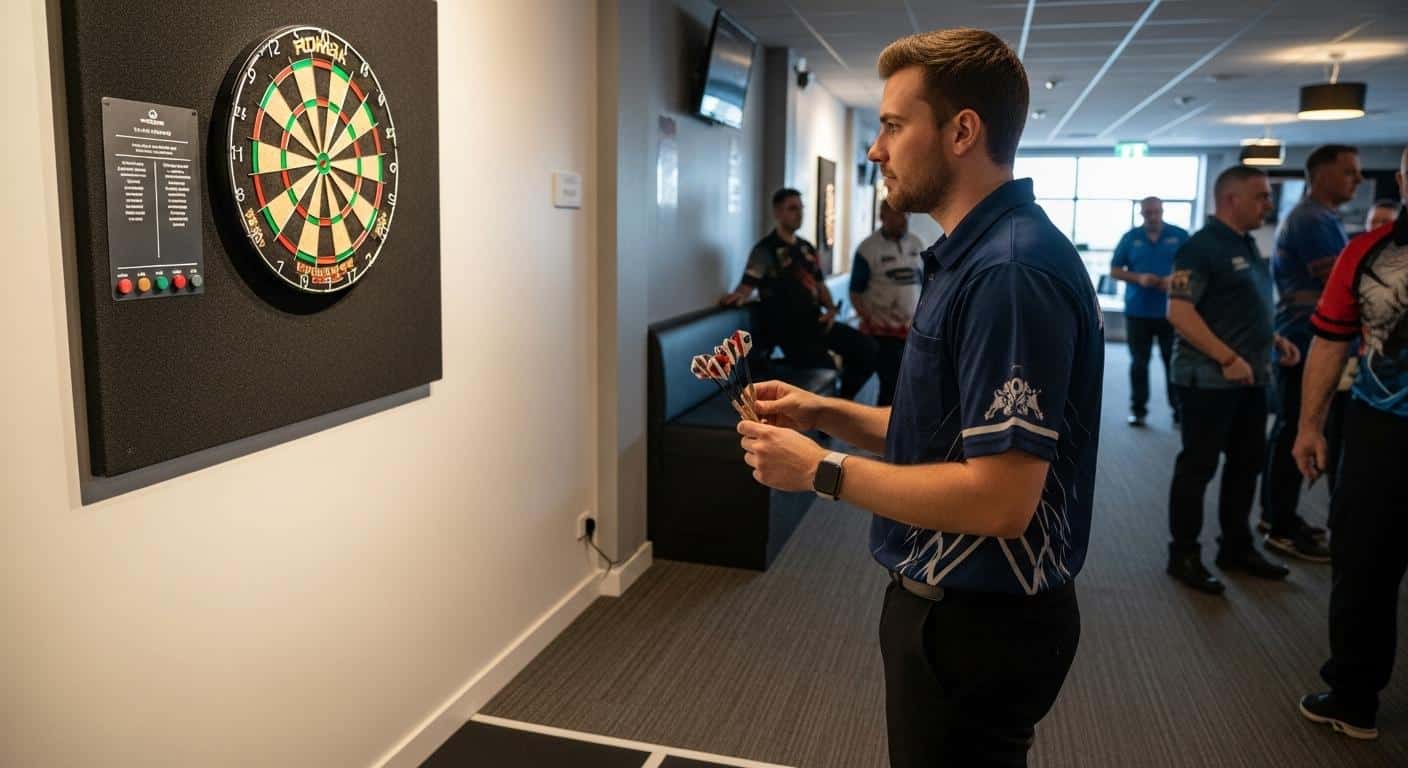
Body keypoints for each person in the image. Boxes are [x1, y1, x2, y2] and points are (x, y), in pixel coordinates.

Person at [738, 28, 1102, 767]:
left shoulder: (1008, 273)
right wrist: (822, 412)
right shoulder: (975, 256)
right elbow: (945, 432)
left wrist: (820, 471)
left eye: (893, 126)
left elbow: (1000, 500)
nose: (876, 150)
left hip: (980, 621)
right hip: (949, 604)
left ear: (962, 132)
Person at [1293, 148, 1408, 741]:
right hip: (1381, 432)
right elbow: (1331, 341)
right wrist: (1309, 426)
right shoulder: (1367, 252)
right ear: (1404, 178)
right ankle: (1353, 694)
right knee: (1364, 565)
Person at [1164, 165, 1298, 595]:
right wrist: (1227, 357)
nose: (1269, 204)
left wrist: (1270, 338)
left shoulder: (1246, 243)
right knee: (1198, 467)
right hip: (1208, 380)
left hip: (1250, 378)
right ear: (1230, 199)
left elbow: (1238, 307)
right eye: (1261, 196)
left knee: (1246, 465)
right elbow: (1179, 311)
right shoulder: (1200, 247)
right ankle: (1183, 554)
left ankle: (1236, 547)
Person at [1260, 145, 1361, 562]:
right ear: (1321, 175)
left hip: (1309, 341)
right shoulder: (1312, 219)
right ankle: (1280, 524)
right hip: (1305, 345)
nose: (1358, 180)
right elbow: (1347, 286)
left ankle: (1277, 515)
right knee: (1298, 431)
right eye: (1349, 172)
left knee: (1292, 429)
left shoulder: (1322, 217)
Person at [722, 188, 877, 400]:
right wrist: (735, 297)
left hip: (816, 322)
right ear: (778, 212)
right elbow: (746, 287)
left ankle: (842, 401)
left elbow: (820, 286)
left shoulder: (806, 248)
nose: (799, 213)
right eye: (792, 208)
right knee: (826, 368)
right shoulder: (764, 250)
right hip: (789, 331)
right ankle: (830, 409)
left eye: (801, 208)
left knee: (868, 349)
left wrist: (831, 309)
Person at [1110, 196, 1190, 426]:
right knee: (1139, 363)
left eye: (1157, 212)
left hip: (1171, 310)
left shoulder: (1180, 235)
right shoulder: (1130, 238)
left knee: (1172, 362)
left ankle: (1179, 413)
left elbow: (1194, 268)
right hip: (1138, 311)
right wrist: (1139, 278)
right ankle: (1139, 411)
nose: (1153, 217)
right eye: (1148, 213)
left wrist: (1174, 280)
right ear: (1142, 213)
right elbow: (1115, 270)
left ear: (1162, 211)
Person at [850, 199, 925, 406]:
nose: (904, 219)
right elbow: (855, 292)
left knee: (907, 385)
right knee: (891, 386)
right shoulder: (868, 249)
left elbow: (925, 283)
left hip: (910, 331)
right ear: (883, 217)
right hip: (881, 334)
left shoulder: (917, 244)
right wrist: (868, 318)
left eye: (907, 213)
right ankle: (883, 423)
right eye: (898, 213)